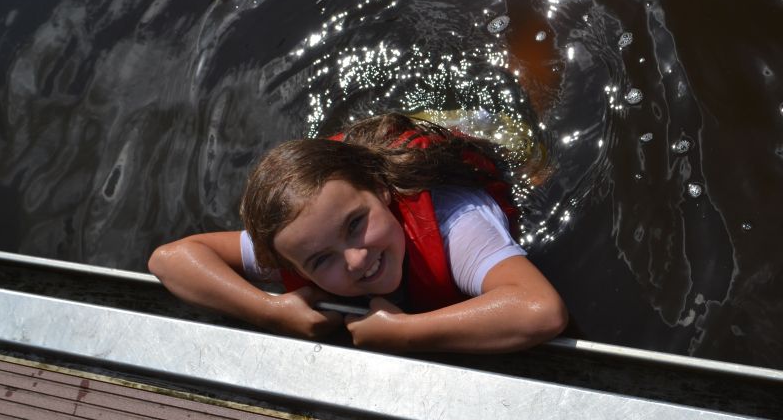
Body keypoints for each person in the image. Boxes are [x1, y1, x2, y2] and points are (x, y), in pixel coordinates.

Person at [149, 113, 567, 353]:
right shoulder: (303, 236)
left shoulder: (455, 223)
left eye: (355, 224)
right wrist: (270, 310)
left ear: (382, 192)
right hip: (357, 167)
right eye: (321, 260)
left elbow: (541, 310)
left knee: (537, 154)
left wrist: (406, 333)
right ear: (295, 267)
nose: (355, 258)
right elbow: (169, 260)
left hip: (488, 137)